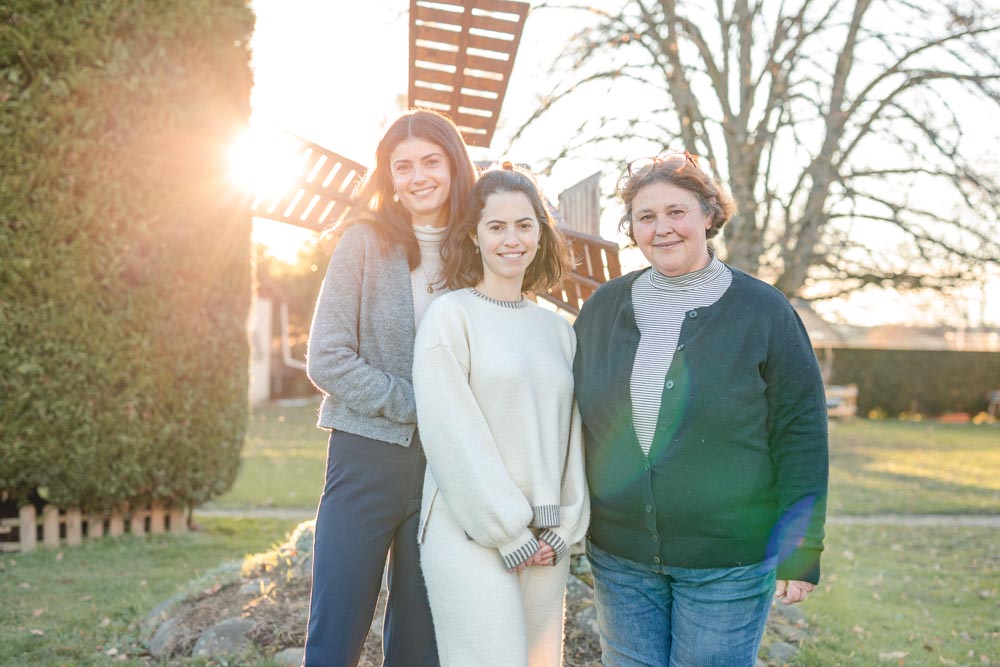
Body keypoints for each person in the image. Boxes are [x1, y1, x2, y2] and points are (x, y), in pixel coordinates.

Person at [572, 153, 829, 666]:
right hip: (622, 561)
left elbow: (801, 433)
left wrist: (802, 550)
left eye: (676, 212)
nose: (662, 228)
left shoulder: (763, 311)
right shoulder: (602, 309)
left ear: (709, 214)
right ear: (632, 229)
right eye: (646, 217)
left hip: (727, 561)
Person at [303, 108, 478, 667]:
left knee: (422, 643)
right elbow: (326, 358)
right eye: (403, 166)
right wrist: (419, 406)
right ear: (389, 177)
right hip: (364, 458)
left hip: (446, 471)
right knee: (336, 630)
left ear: (454, 165)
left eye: (431, 160)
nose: (418, 176)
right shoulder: (363, 242)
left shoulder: (479, 251)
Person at [412, 164, 590, 667]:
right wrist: (510, 533)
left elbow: (572, 437)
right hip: (469, 533)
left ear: (540, 233)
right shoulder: (452, 316)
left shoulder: (559, 331)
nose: (512, 239)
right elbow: (451, 434)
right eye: (496, 226)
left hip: (546, 537)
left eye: (524, 224)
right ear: (474, 235)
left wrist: (565, 526)